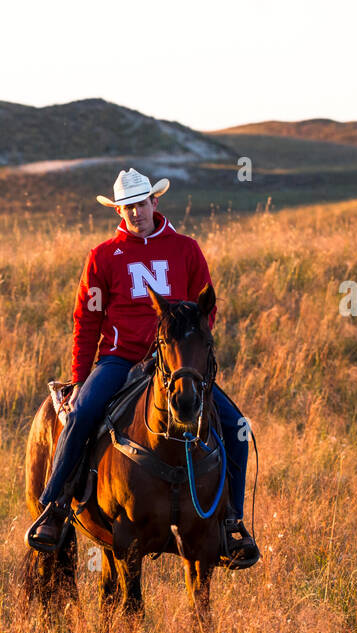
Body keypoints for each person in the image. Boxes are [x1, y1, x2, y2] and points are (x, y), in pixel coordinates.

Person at [26, 168, 259, 568]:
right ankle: (56, 507)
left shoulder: (186, 249)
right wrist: (81, 378)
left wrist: (184, 353)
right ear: (119, 210)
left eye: (142, 203)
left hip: (174, 365)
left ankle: (231, 523)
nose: (136, 213)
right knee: (80, 415)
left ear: (155, 201)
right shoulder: (103, 256)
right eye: (127, 207)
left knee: (237, 427)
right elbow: (87, 320)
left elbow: (206, 312)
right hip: (119, 358)